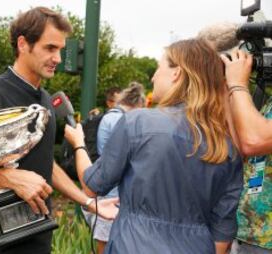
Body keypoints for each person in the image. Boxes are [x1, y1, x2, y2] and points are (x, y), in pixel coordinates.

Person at [0, 7, 118, 254]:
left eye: (60, 49)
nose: (58, 58)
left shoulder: (45, 100)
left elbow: (45, 162)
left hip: (38, 240)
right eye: (50, 48)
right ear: (23, 44)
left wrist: (88, 202)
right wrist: (11, 178)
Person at [65, 39, 244, 254]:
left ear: (176, 73)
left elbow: (92, 185)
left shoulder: (138, 122)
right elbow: (223, 230)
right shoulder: (226, 145)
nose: (153, 77)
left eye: (158, 68)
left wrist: (79, 144)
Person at [83, 82, 145, 254]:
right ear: (137, 104)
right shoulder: (121, 120)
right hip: (111, 196)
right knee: (106, 244)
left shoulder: (109, 117)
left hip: (106, 192)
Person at [221, 50, 272, 253]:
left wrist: (238, 85)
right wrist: (228, 90)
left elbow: (254, 141)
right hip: (252, 234)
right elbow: (242, 147)